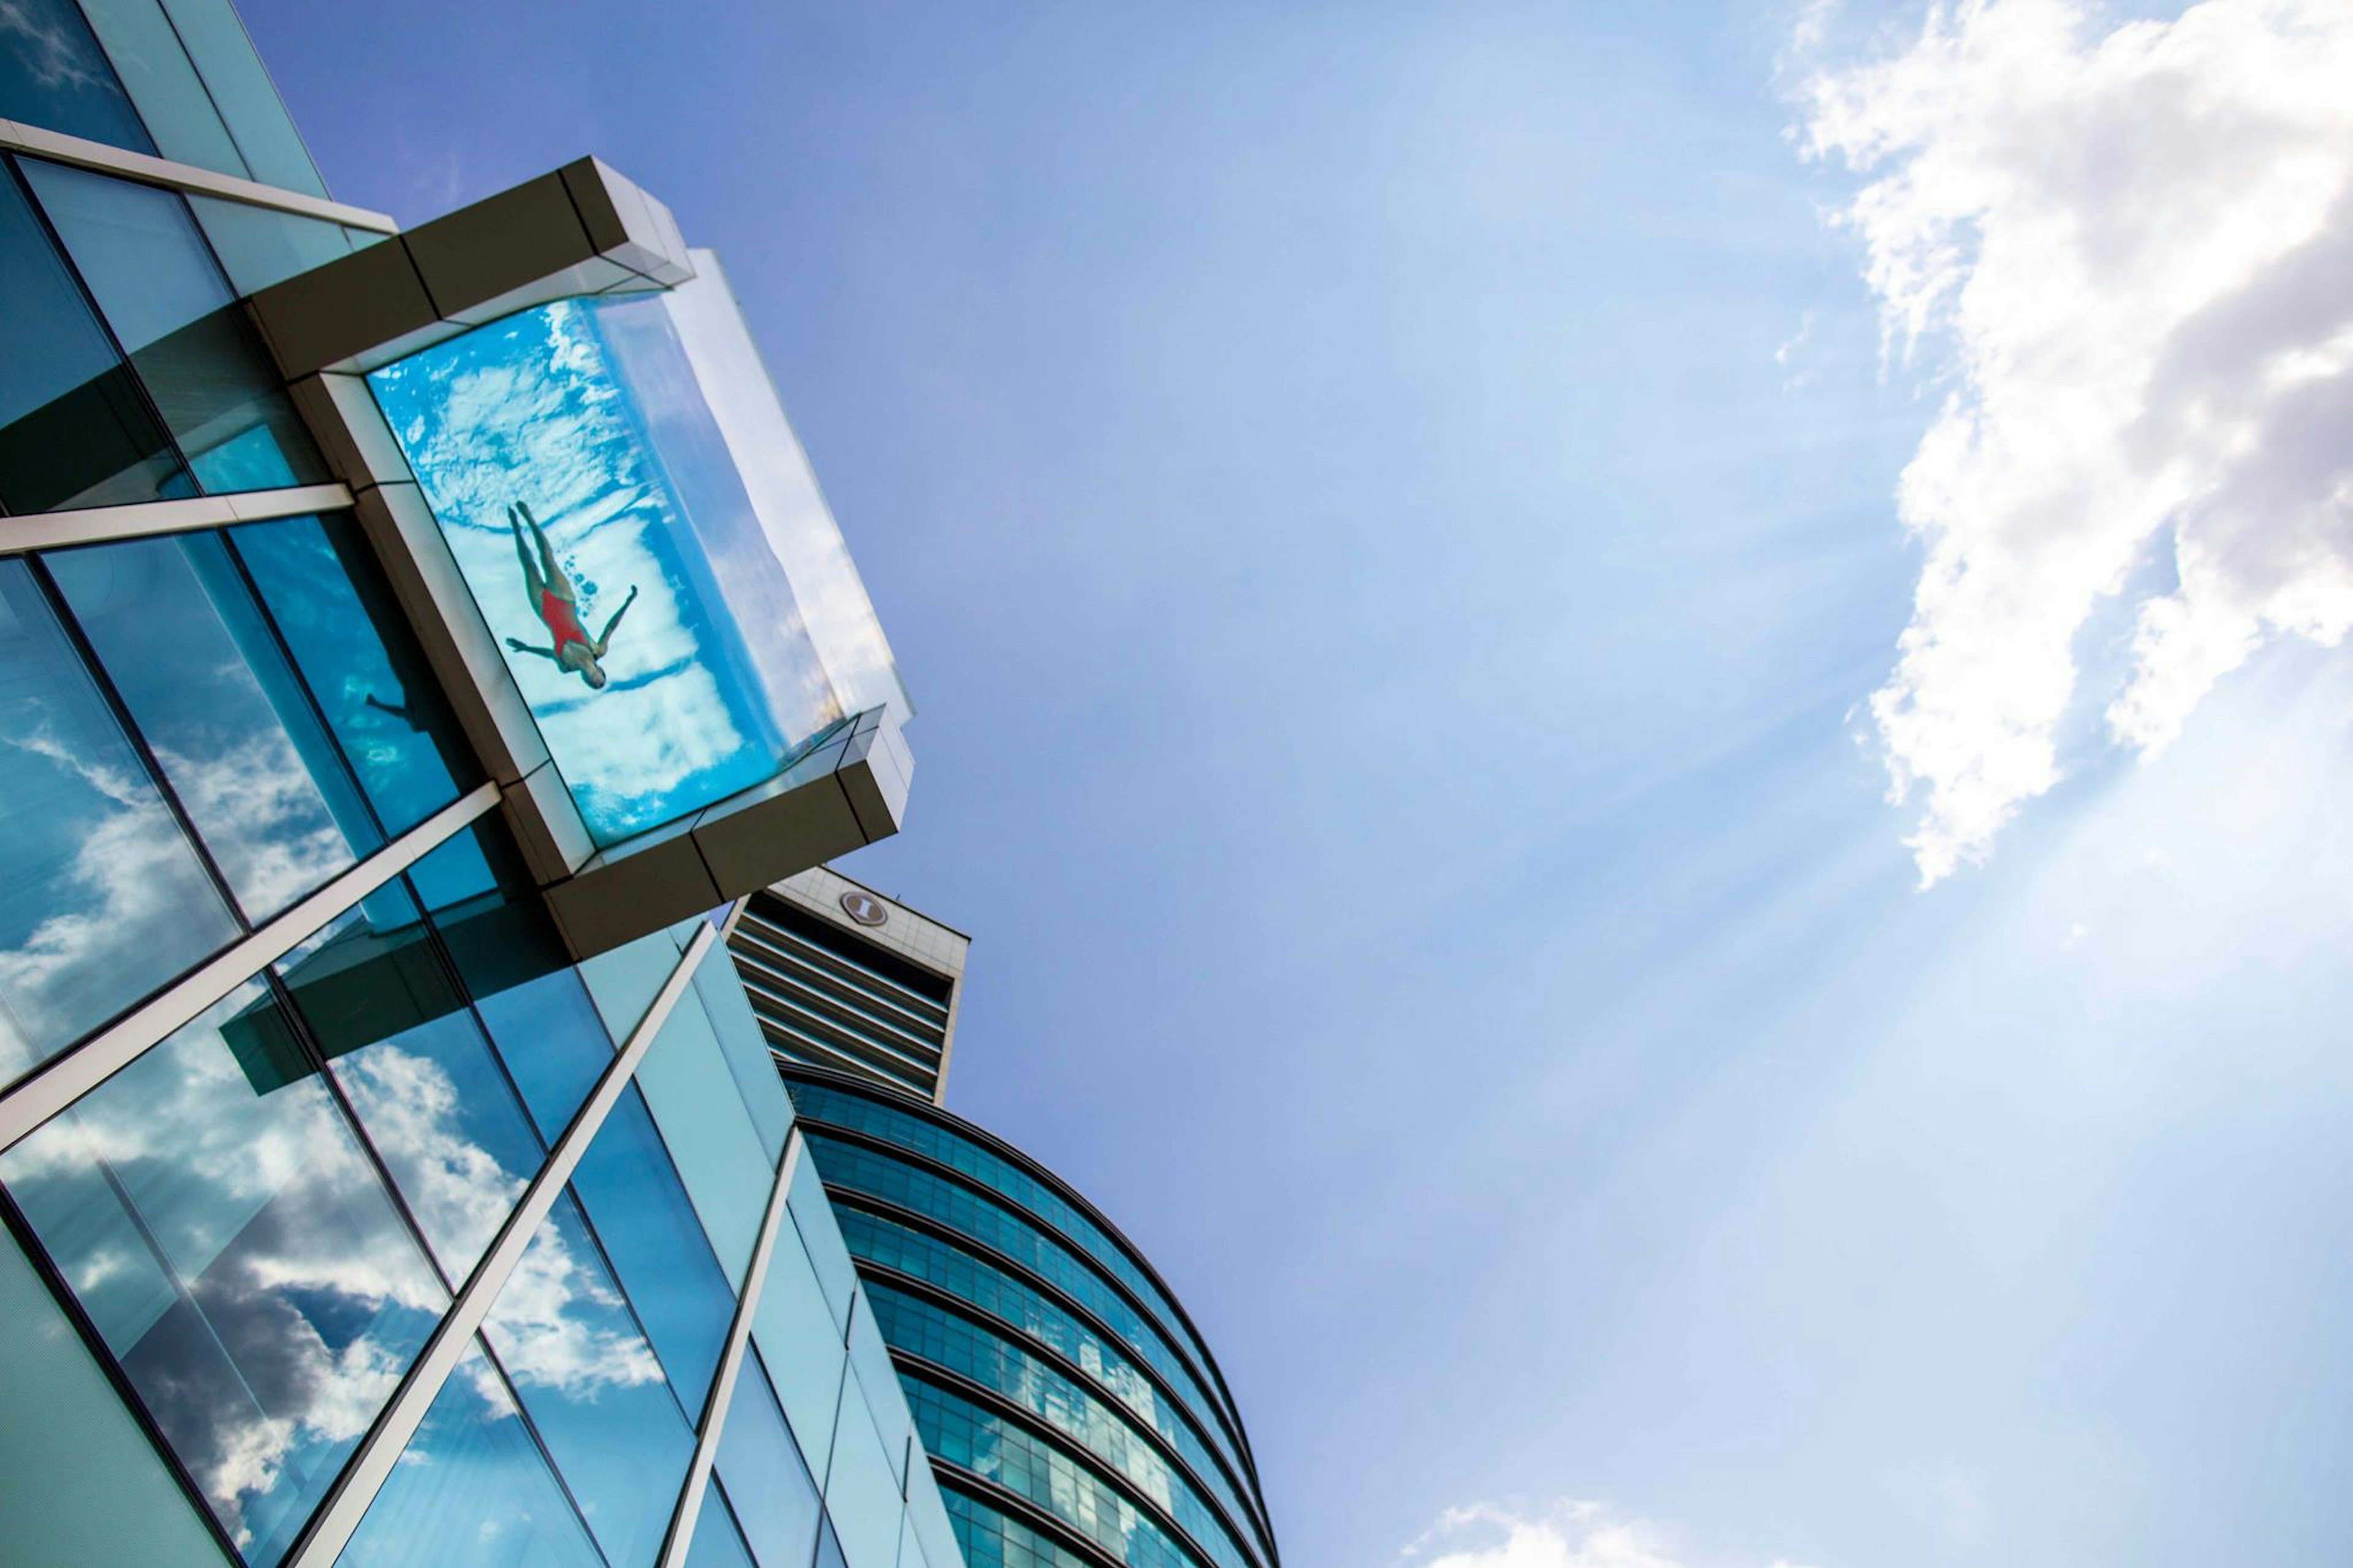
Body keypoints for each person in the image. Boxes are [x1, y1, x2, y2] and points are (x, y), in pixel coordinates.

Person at [502, 501, 637, 690]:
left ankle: (515, 524)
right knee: (547, 557)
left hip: (543, 610)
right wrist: (628, 602)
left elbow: (548, 654)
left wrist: (525, 648)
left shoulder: (566, 667)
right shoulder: (597, 651)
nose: (594, 679)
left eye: (593, 683)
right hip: (564, 599)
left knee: (528, 566)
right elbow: (611, 627)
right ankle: (530, 519)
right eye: (599, 679)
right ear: (601, 671)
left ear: (585, 681)